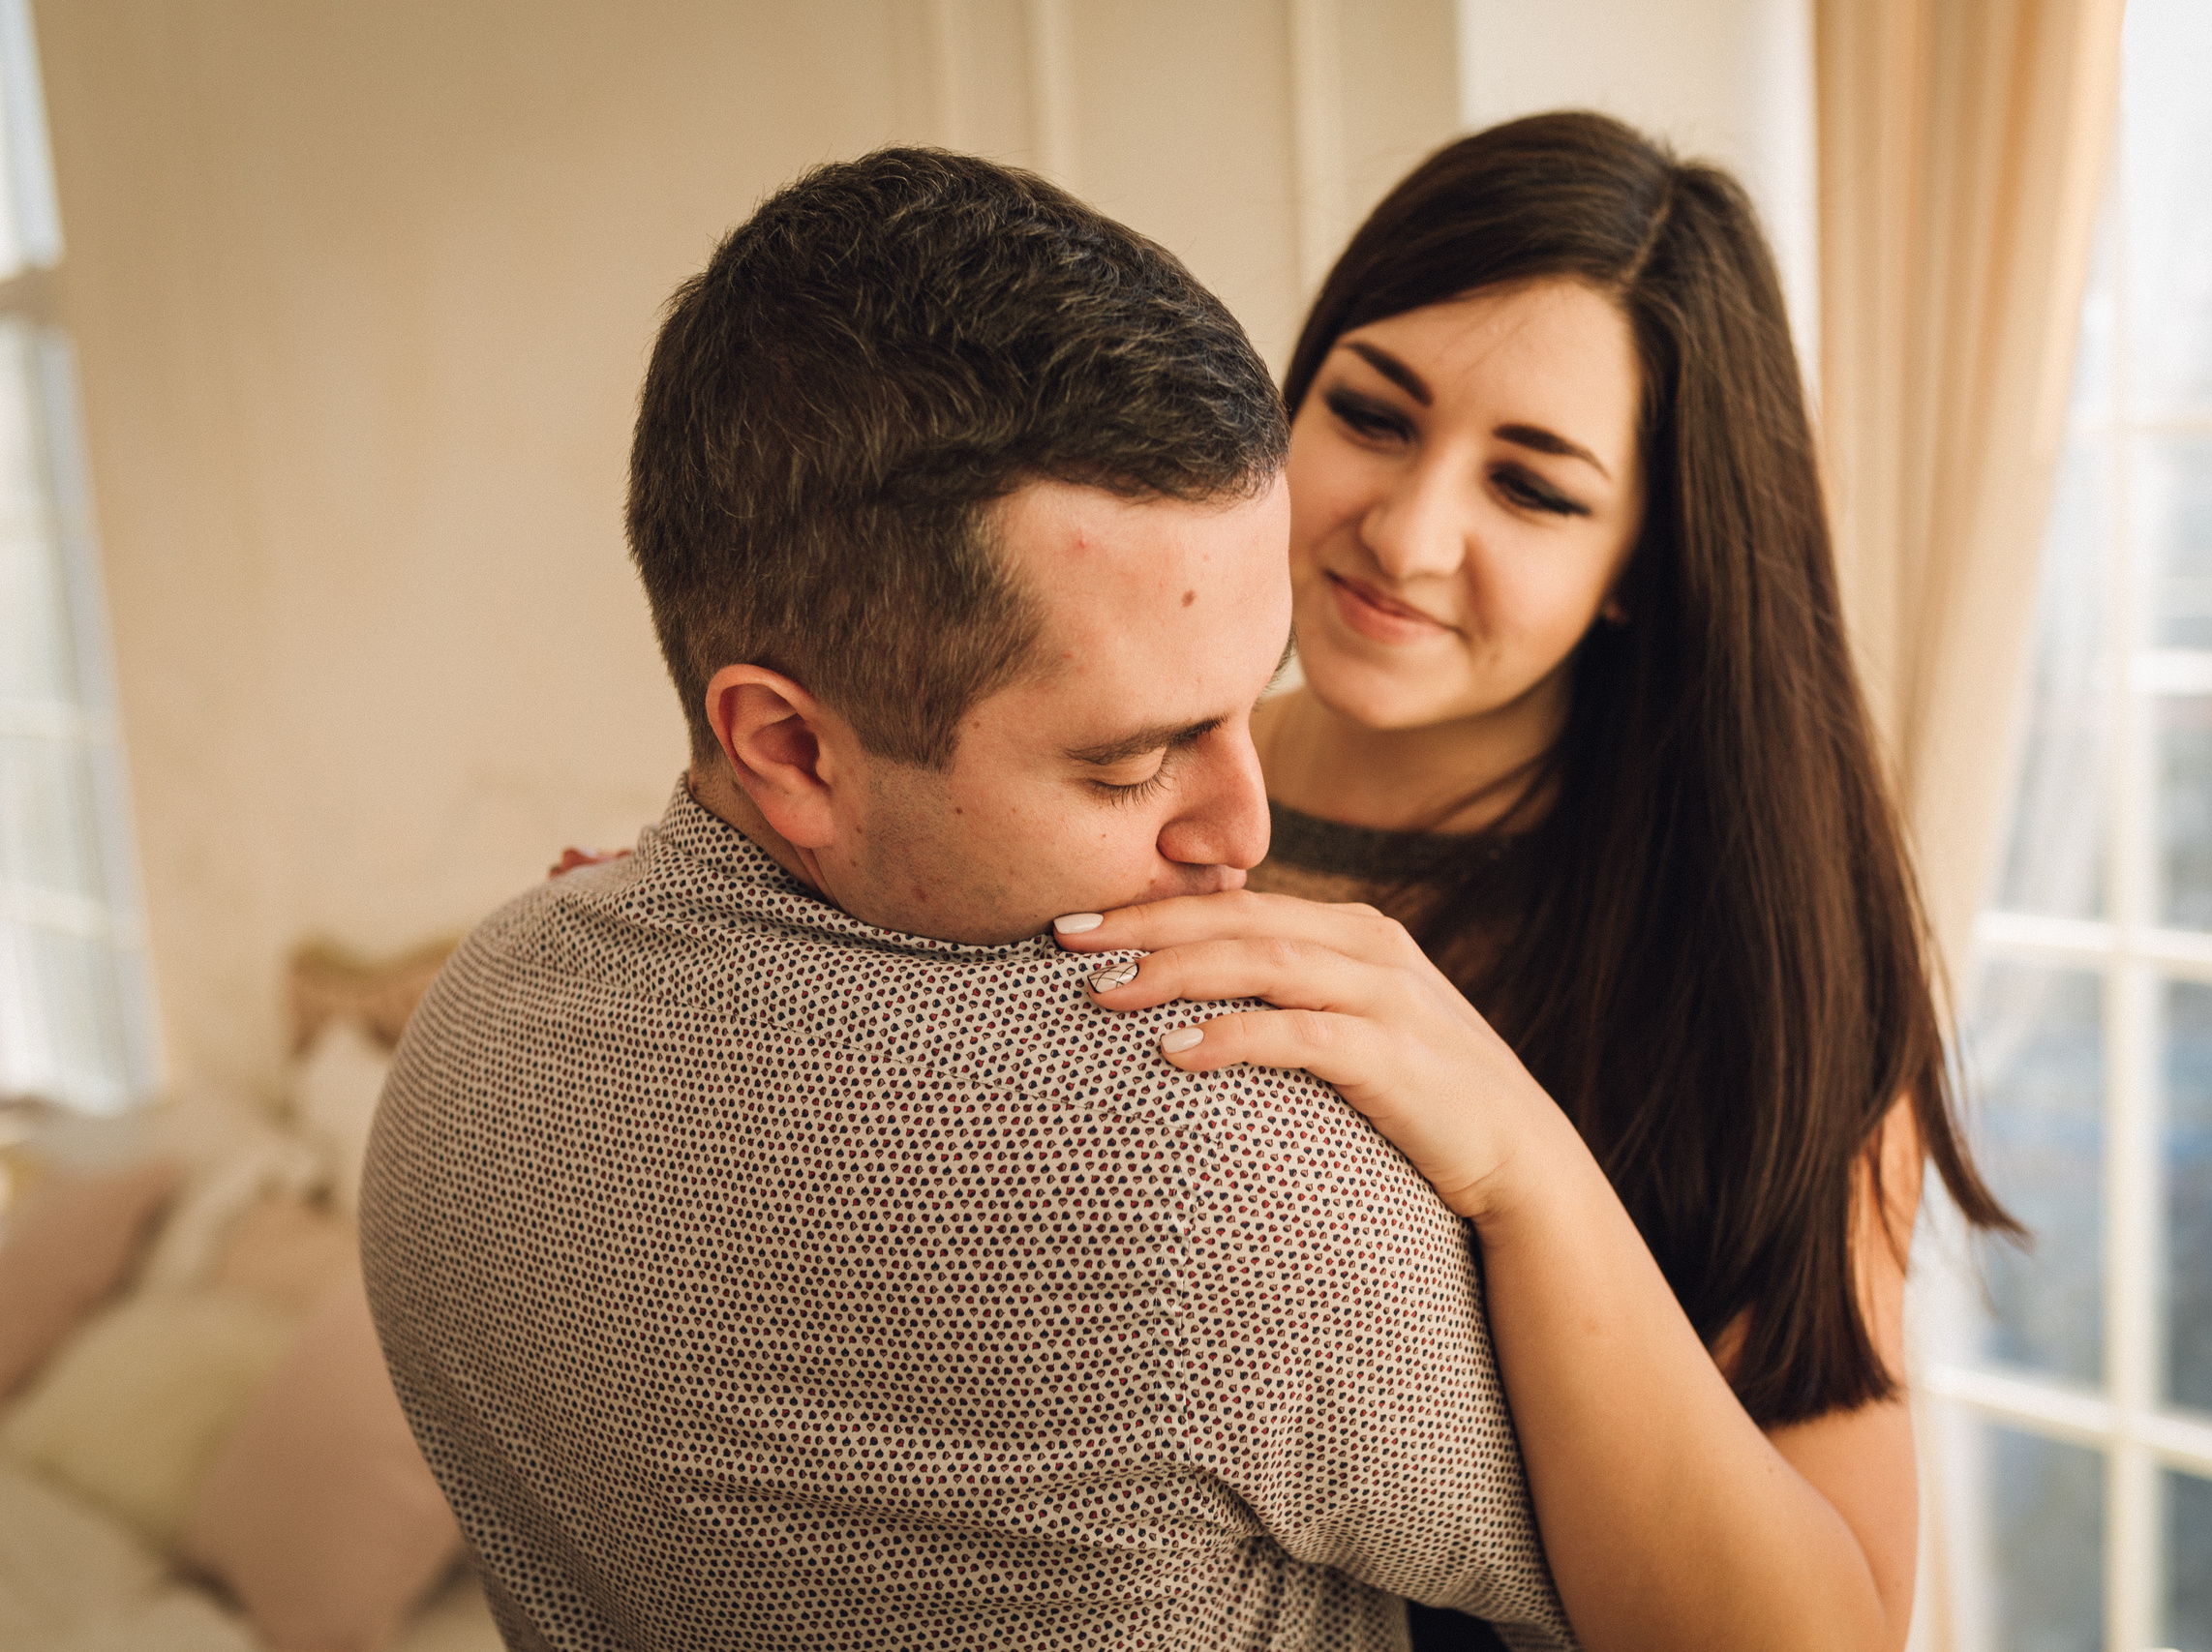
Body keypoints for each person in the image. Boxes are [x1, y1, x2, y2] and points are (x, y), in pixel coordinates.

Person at [362, 149, 1578, 1652]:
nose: (1245, 826)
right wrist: (1527, 1155)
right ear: (791, 749)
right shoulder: (1236, 1178)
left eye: (1245, 707)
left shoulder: (457, 1042)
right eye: (1136, 760)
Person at [1055, 111, 2018, 1652]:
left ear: (1645, 553)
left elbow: (1821, 1638)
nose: (1410, 535)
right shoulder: (1085, 774)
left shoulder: (1763, 960)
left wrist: (1516, 1151)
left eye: (1536, 489)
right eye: (1371, 416)